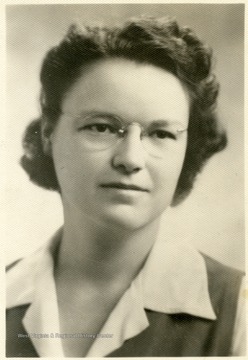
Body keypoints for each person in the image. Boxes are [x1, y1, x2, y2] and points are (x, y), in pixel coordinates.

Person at [6, 16, 245, 357]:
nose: (131, 159)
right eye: (102, 127)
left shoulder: (238, 309)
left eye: (161, 134)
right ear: (48, 133)